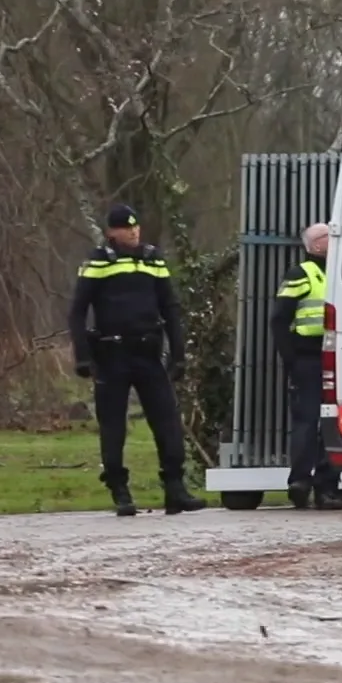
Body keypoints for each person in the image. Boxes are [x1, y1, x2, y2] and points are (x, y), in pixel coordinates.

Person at [68, 204, 207, 517]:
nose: (133, 232)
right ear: (111, 232)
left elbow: (170, 308)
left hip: (148, 352)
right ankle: (120, 489)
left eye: (136, 227)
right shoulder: (99, 260)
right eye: (126, 228)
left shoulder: (152, 259)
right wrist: (83, 356)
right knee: (114, 425)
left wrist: (179, 353)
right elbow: (78, 310)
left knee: (167, 422)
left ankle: (175, 488)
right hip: (112, 353)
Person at [272, 223, 341, 510]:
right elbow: (279, 319)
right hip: (308, 357)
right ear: (315, 245)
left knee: (332, 423)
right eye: (328, 236)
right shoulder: (301, 274)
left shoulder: (340, 273)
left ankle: (327, 487)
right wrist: (291, 360)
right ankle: (299, 481)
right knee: (307, 420)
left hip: (336, 357)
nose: (334, 239)